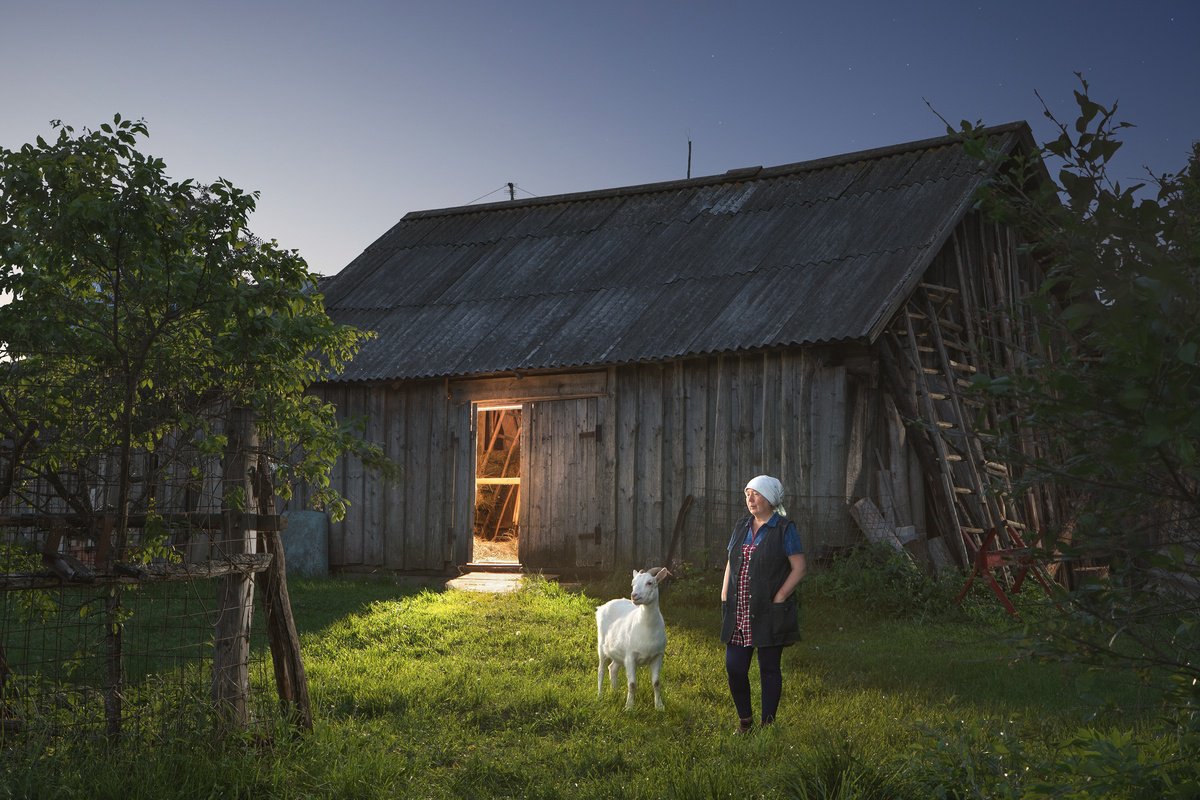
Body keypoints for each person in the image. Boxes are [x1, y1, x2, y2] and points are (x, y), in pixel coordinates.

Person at [720, 474, 806, 734]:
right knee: (734, 667)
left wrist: (780, 596)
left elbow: (799, 568)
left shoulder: (784, 528)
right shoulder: (741, 526)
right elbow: (730, 561)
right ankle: (745, 722)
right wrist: (725, 593)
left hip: (768, 609)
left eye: (756, 494)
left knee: (769, 668)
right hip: (739, 609)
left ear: (770, 498)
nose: (750, 499)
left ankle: (767, 725)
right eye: (747, 494)